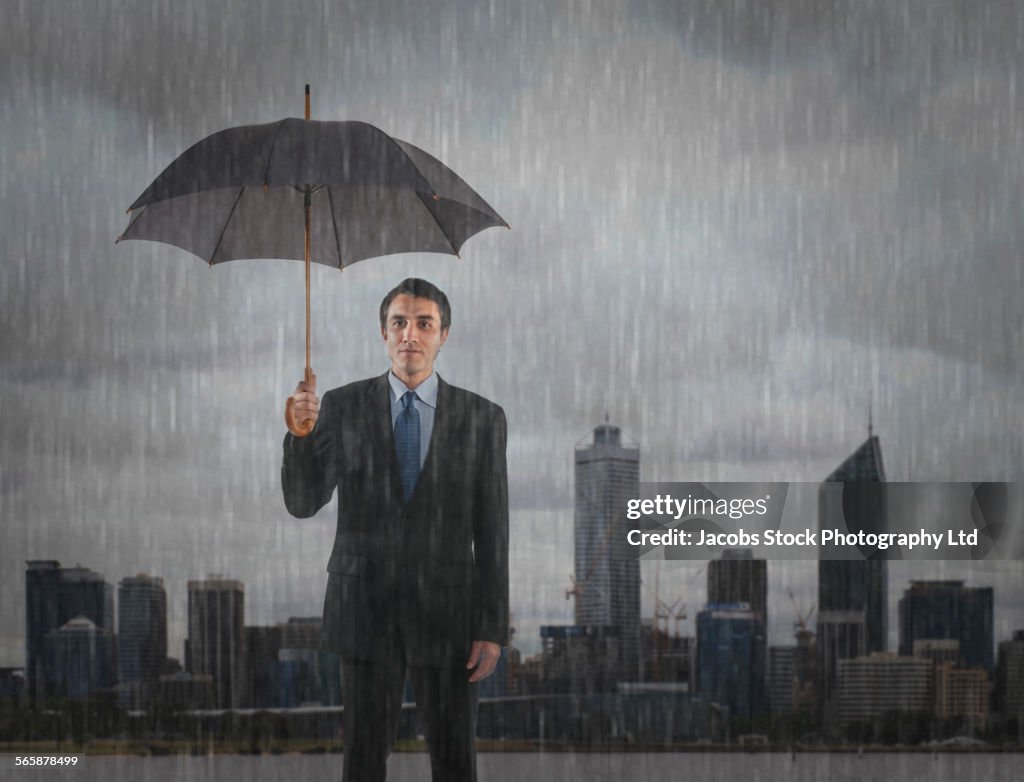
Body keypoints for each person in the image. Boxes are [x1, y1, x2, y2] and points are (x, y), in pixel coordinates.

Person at [281, 278, 508, 782]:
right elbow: (302, 502)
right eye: (399, 323)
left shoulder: (482, 418)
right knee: (361, 762)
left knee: (455, 763)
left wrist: (492, 628)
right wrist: (299, 433)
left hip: (449, 615)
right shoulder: (339, 407)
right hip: (364, 610)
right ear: (383, 333)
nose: (411, 334)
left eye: (423, 323)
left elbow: (493, 530)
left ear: (443, 334)